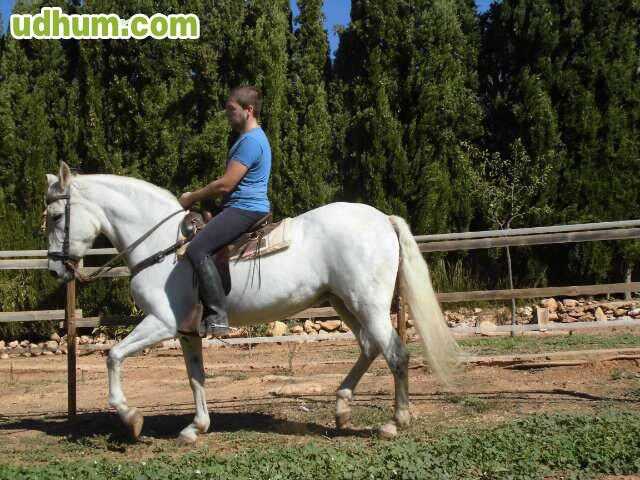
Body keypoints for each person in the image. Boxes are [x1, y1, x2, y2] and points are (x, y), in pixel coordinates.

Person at [178, 86, 271, 336]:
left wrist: (191, 197)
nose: (228, 115)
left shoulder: (251, 141)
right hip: (239, 205)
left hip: (245, 208)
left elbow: (226, 184)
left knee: (197, 249)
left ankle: (217, 316)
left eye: (232, 110)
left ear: (248, 110)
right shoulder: (249, 138)